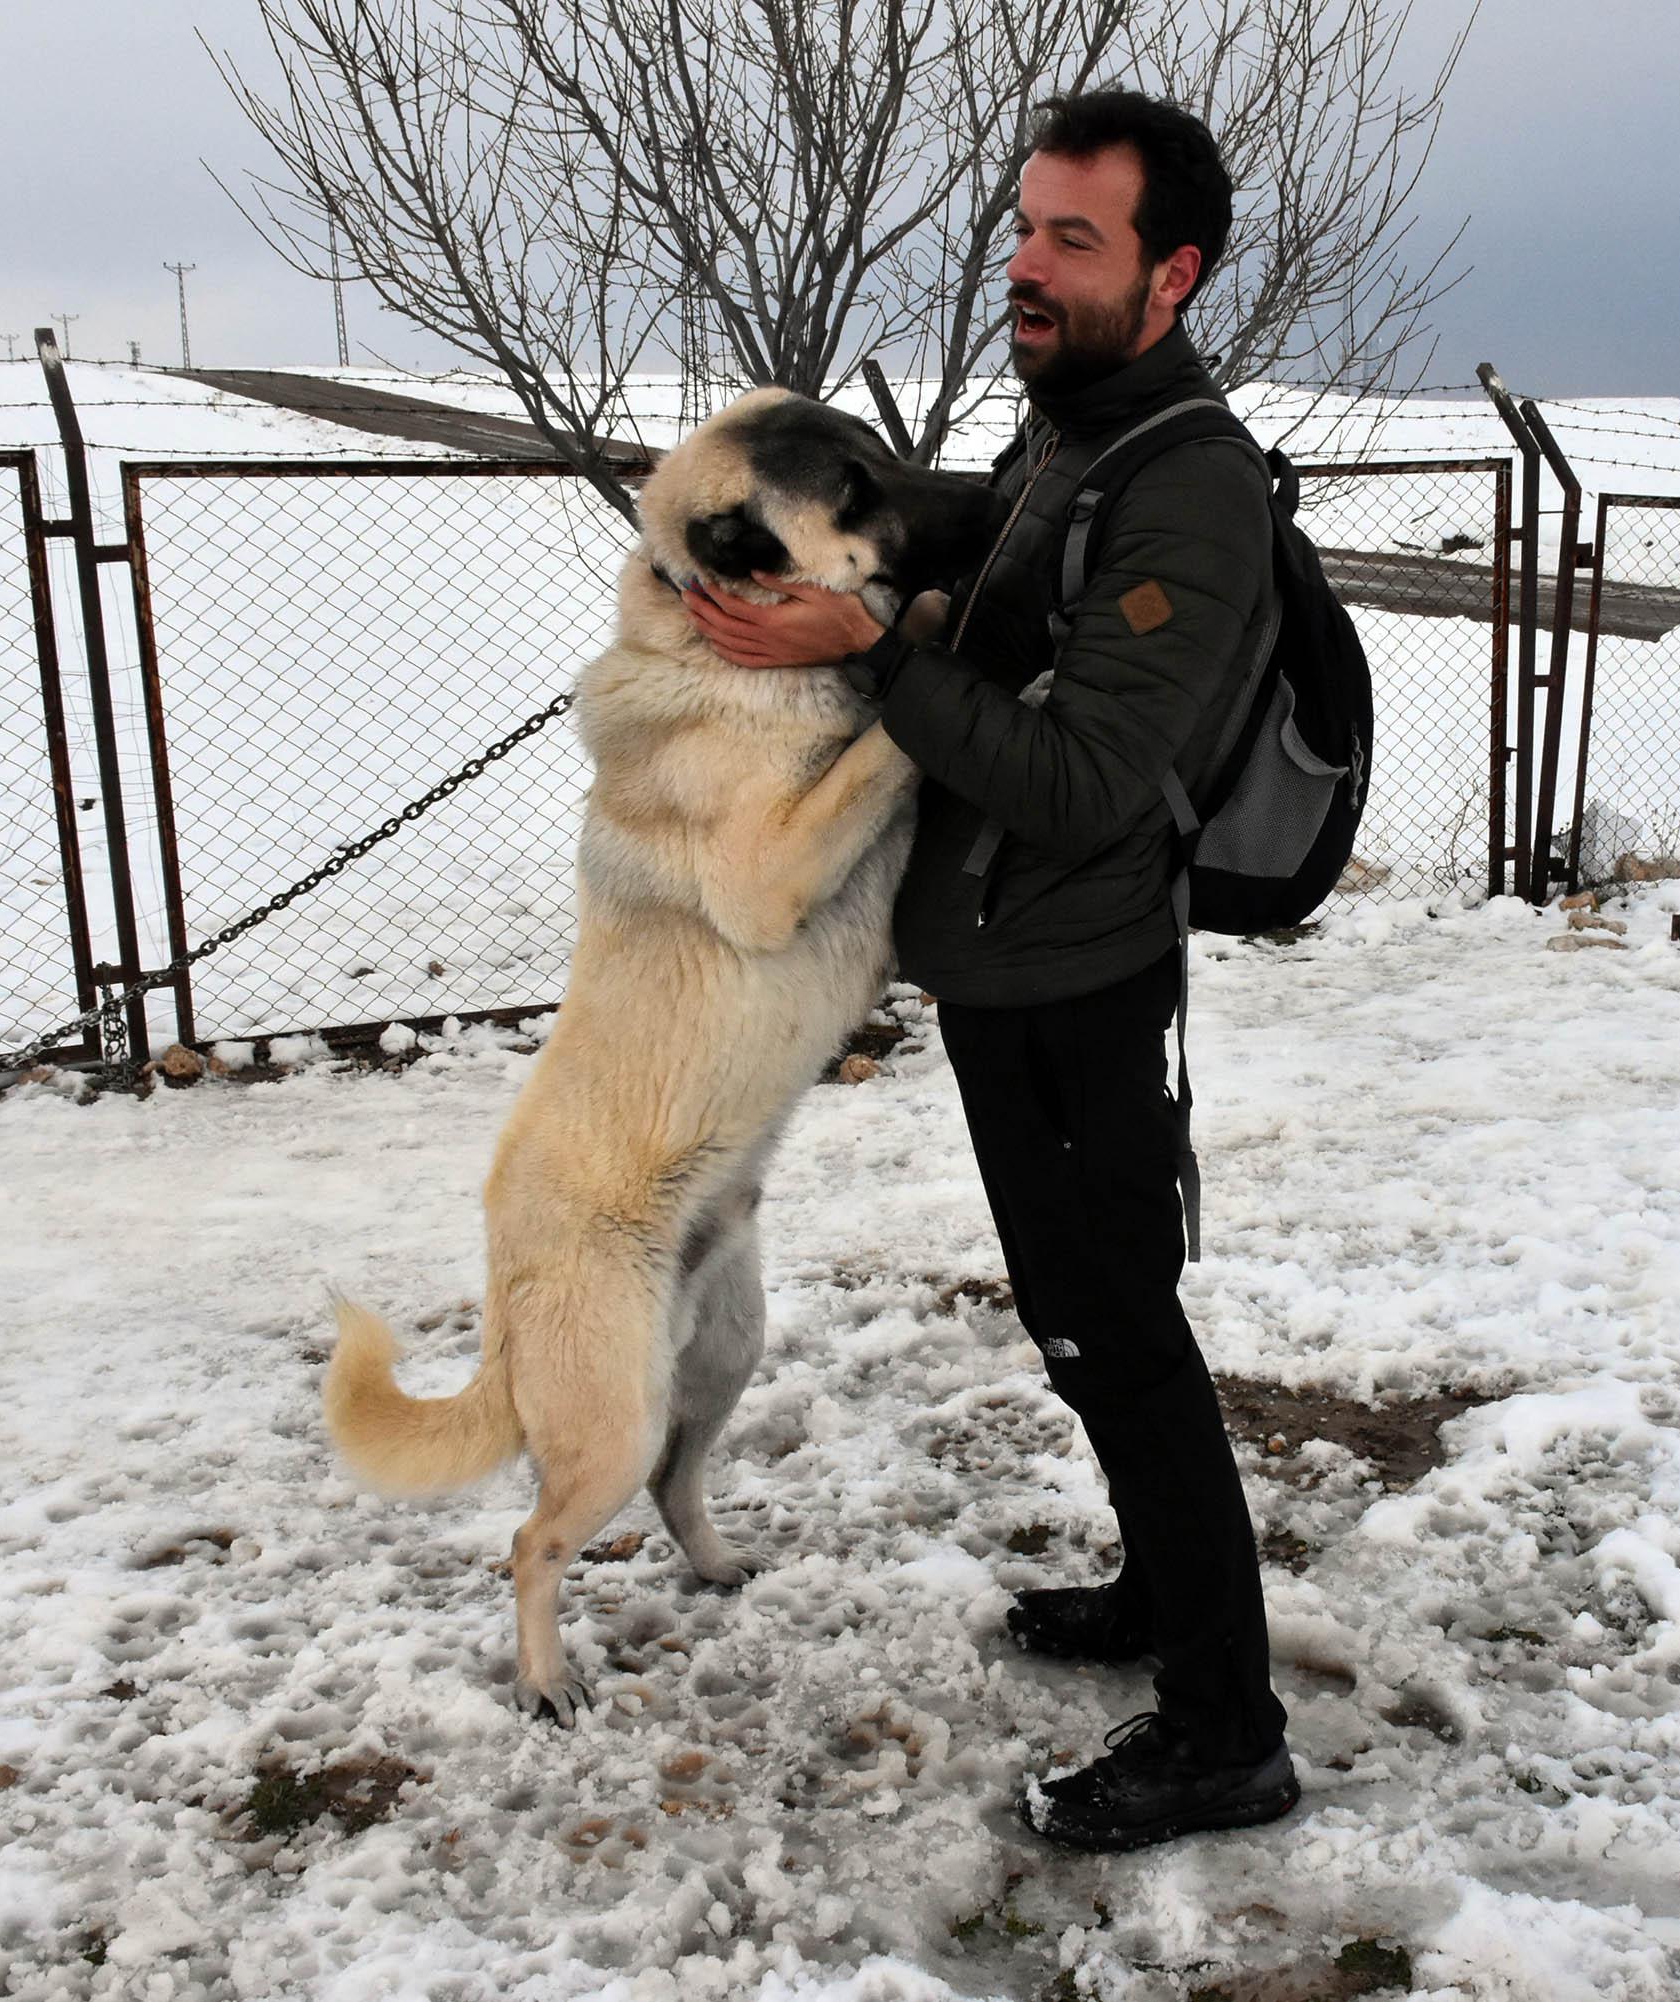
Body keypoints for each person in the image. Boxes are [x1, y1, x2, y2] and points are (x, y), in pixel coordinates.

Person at [681, 89, 1294, 1853]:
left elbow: (1086, 775)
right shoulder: (1077, 430)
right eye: (1021, 227)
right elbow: (991, 540)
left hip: (1080, 985)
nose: (1021, 265)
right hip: (1010, 967)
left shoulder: (1189, 483)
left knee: (1122, 1328)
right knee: (1084, 1325)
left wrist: (866, 645)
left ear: (1169, 275)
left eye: (1070, 240)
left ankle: (1229, 1729)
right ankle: (1161, 1594)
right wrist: (836, 510)